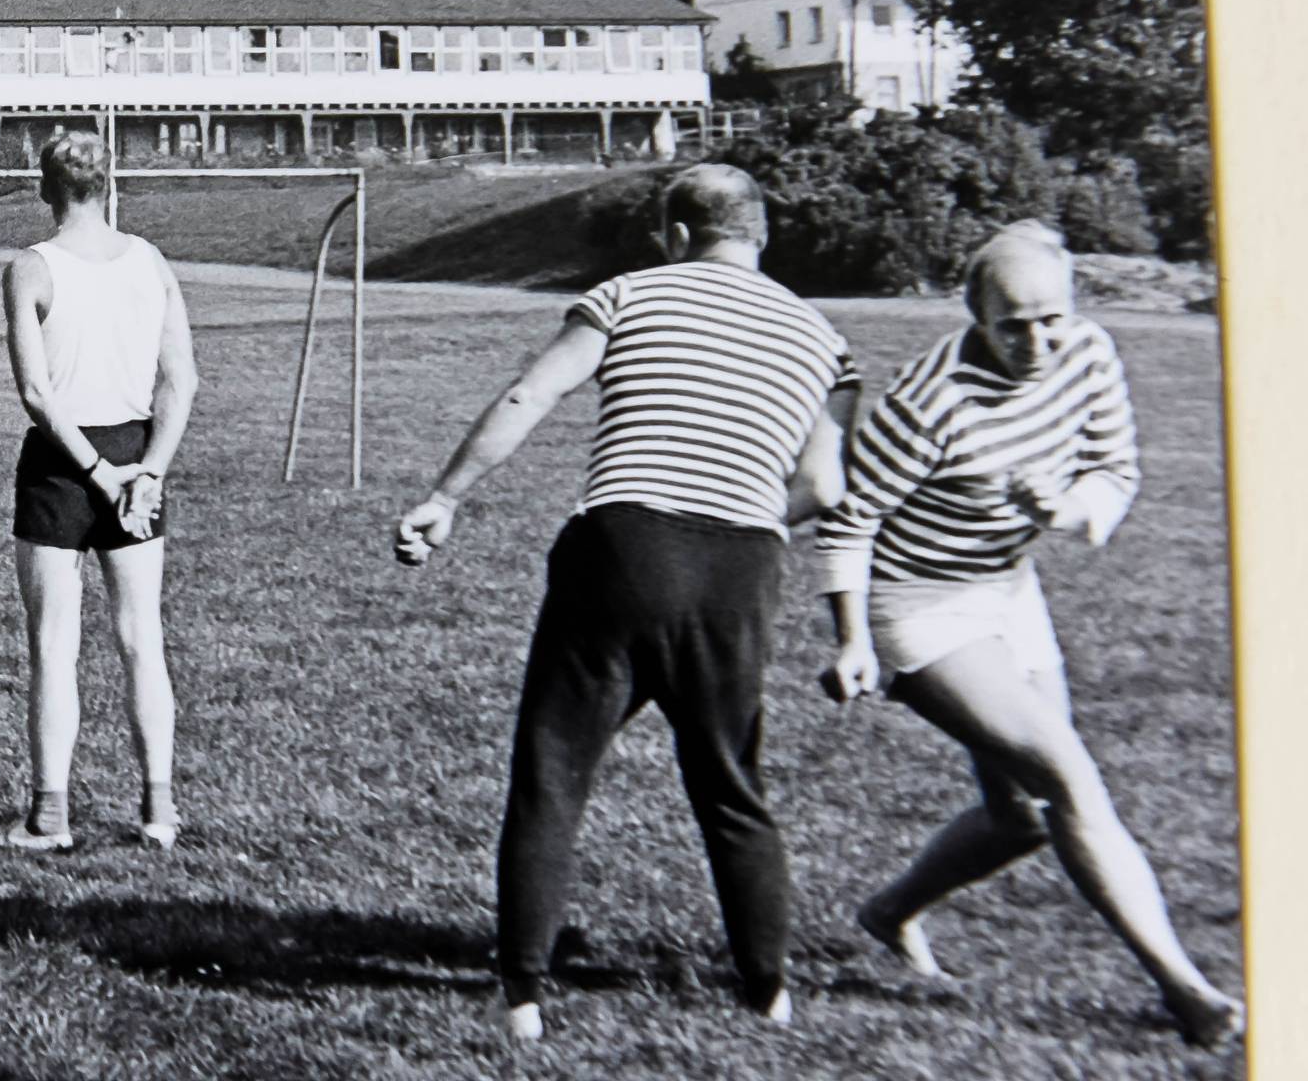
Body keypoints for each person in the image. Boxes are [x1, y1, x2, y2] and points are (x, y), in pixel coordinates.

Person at [391, 164, 859, 1040]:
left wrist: (446, 495)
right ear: (762, 235)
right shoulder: (823, 339)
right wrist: (744, 519)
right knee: (731, 783)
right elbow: (825, 484)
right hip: (742, 565)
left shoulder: (629, 294)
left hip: (623, 546)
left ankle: (524, 996)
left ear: (675, 236)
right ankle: (768, 991)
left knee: (554, 773)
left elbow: (535, 392)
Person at [814, 225, 1244, 1047]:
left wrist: (1066, 509)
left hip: (1009, 590)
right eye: (1013, 324)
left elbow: (1114, 471)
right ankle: (1187, 991)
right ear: (974, 313)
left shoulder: (1088, 354)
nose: (1037, 341)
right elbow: (850, 520)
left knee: (1022, 818)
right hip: (918, 603)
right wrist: (851, 641)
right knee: (1070, 778)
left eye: (1051, 317)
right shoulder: (929, 397)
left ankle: (888, 912)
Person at [0, 132, 196, 852]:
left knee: (55, 645)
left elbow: (36, 393)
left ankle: (50, 817)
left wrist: (107, 473)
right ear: (108, 183)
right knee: (143, 638)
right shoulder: (151, 263)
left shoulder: (31, 267)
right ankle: (160, 813)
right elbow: (182, 380)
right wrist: (149, 468)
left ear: (45, 188)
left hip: (63, 464)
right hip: (131, 456)